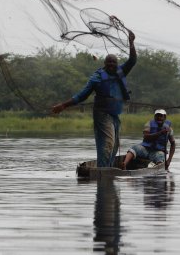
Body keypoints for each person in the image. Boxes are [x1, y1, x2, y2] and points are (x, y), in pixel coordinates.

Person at [51, 29, 136, 167]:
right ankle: (102, 170)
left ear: (117, 64)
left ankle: (107, 169)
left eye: (113, 63)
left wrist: (131, 42)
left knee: (114, 146)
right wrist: (64, 105)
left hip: (115, 114)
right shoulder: (97, 78)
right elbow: (82, 95)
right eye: (108, 63)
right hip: (102, 113)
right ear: (104, 63)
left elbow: (132, 60)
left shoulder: (121, 72)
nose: (111, 65)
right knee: (107, 143)